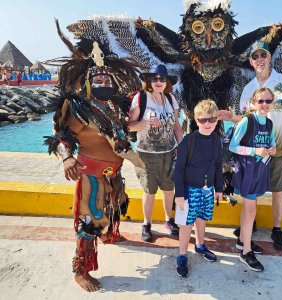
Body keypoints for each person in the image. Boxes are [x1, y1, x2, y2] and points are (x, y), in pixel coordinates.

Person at [44, 22, 143, 292]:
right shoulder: (76, 108)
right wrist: (67, 157)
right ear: (87, 83)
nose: (103, 82)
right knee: (90, 220)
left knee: (113, 209)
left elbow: (126, 134)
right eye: (97, 80)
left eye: (106, 79)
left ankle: (112, 234)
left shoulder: (117, 106)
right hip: (90, 174)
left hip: (114, 174)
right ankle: (81, 271)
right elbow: (61, 136)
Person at [219, 40, 282, 252]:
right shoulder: (248, 89)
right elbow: (247, 120)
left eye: (263, 55)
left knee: (278, 189)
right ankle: (249, 224)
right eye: (255, 57)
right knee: (250, 191)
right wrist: (231, 117)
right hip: (253, 153)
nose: (259, 59)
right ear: (251, 61)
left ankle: (277, 228)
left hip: (279, 147)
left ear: (269, 57)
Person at [128, 64, 183, 242]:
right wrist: (147, 121)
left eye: (163, 79)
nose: (159, 81)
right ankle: (147, 224)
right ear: (149, 81)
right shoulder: (141, 99)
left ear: (167, 82)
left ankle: (168, 220)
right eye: (155, 78)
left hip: (169, 152)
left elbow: (176, 125)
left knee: (169, 189)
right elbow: (130, 126)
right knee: (149, 191)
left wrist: (181, 145)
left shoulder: (170, 99)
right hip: (147, 154)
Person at [174, 99, 223, 277]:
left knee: (202, 219)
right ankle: (181, 255)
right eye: (203, 120)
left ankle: (200, 245)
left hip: (207, 190)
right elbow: (178, 169)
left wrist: (219, 188)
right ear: (196, 120)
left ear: (217, 120)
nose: (207, 124)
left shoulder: (217, 140)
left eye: (211, 119)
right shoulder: (189, 141)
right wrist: (179, 194)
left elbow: (218, 165)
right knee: (186, 225)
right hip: (188, 191)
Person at [229, 87, 276, 271]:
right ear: (253, 103)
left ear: (273, 103)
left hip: (260, 171)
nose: (264, 105)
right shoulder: (247, 121)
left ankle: (242, 242)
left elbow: (272, 144)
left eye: (268, 101)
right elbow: (233, 145)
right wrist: (253, 151)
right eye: (260, 101)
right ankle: (245, 252)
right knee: (250, 211)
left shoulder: (270, 124)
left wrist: (273, 149)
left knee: (248, 210)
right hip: (247, 171)